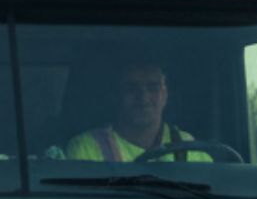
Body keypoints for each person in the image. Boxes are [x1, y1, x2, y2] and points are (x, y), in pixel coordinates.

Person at [60, 62, 212, 163]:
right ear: (116, 96)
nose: (143, 98)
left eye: (153, 88)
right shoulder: (87, 149)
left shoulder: (190, 149)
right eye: (131, 88)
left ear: (165, 95)